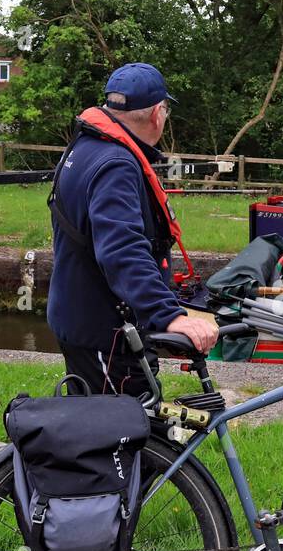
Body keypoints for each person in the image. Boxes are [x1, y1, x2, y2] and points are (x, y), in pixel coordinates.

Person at [46, 62, 218, 397]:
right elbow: (122, 250)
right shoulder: (117, 166)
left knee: (92, 430)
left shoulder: (85, 147)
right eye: (166, 111)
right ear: (157, 114)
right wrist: (169, 316)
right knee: (125, 437)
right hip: (108, 331)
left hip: (77, 317)